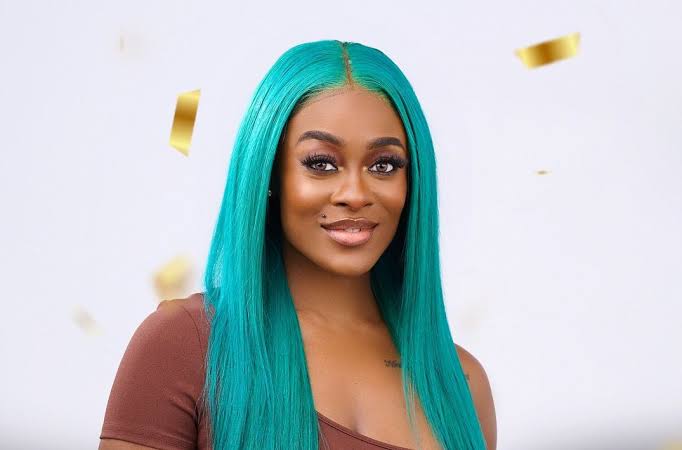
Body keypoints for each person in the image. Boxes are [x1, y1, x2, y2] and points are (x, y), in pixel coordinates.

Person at [99, 39, 497, 450]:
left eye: (384, 165)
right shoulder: (185, 345)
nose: (355, 194)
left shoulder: (463, 385)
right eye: (321, 163)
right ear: (270, 174)